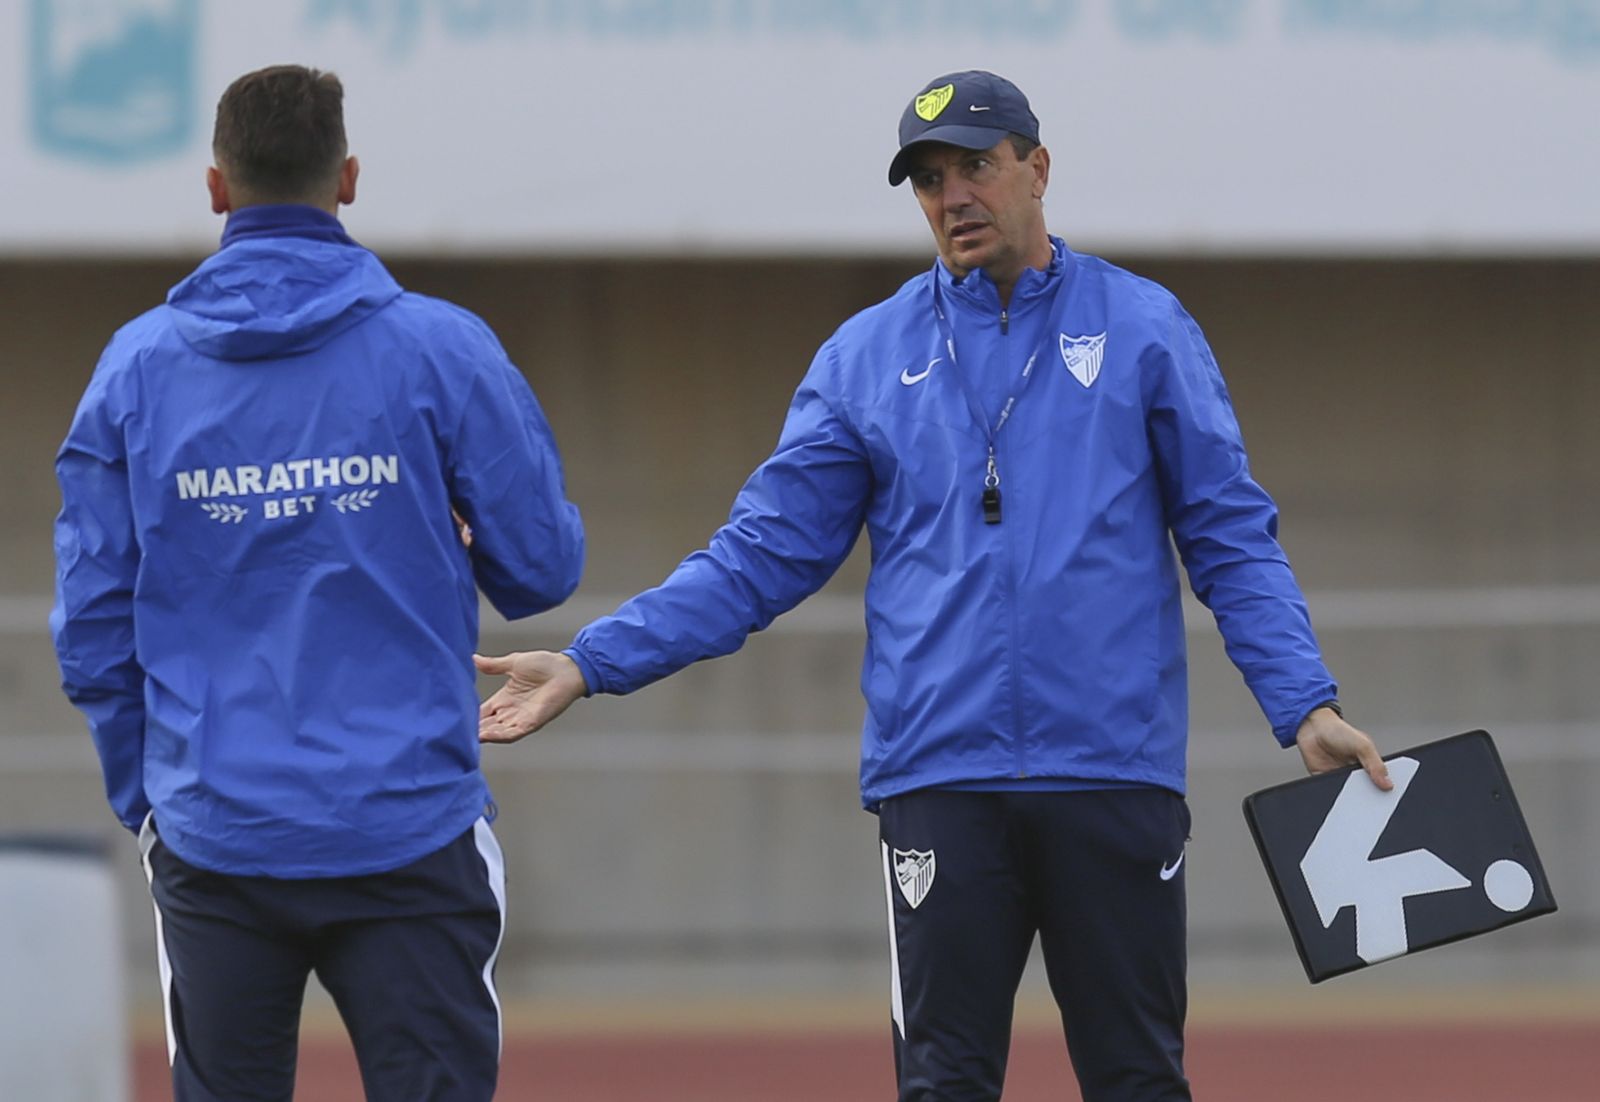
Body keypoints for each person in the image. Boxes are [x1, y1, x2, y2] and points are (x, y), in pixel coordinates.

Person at [475, 70, 1390, 1101]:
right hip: (940, 785)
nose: (952, 196)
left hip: (1110, 777)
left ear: (1037, 169)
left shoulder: (1142, 327)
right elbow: (756, 558)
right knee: (942, 1083)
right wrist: (591, 659)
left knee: (1138, 1079)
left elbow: (1229, 533)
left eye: (976, 167)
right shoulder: (866, 356)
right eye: (927, 179)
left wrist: (1302, 701)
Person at [50, 65, 584, 1101]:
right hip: (412, 824)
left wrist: (153, 800)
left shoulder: (135, 370)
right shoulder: (441, 348)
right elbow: (541, 568)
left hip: (218, 832)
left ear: (216, 188)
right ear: (346, 178)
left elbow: (93, 628)